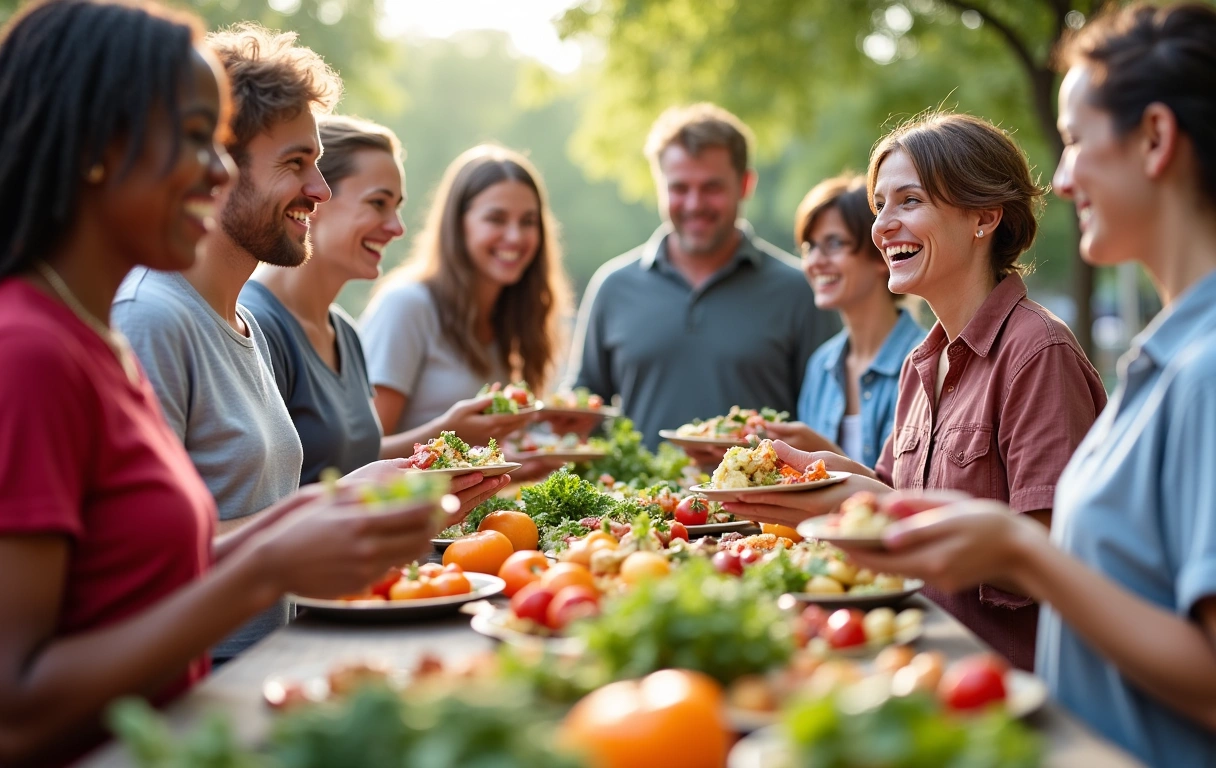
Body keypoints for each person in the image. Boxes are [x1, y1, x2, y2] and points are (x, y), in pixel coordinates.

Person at [0, 3, 471, 764]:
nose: (218, 171)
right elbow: (13, 714)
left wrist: (312, 512)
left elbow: (137, 584)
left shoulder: (98, 343)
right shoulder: (28, 353)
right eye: (195, 140)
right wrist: (270, 564)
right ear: (98, 147)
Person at [831, 6, 1216, 765]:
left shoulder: (1194, 369)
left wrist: (1021, 551)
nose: (1062, 179)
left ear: (1156, 139)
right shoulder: (1165, 359)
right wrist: (828, 477)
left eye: (1073, 141)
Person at [726, 113, 1108, 671]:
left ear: (984, 216)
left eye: (909, 201)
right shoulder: (920, 362)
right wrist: (820, 475)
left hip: (1007, 686)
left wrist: (876, 506)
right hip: (918, 663)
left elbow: (1052, 555)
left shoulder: (1036, 352)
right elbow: (889, 489)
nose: (882, 226)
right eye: (880, 205)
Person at [240, 116, 526, 485]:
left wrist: (450, 438)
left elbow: (356, 466)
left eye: (397, 207)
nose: (397, 227)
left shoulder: (344, 332)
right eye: (378, 203)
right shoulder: (255, 325)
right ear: (315, 196)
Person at [565, 103, 840, 453]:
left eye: (711, 187)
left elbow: (826, 420)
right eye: (679, 187)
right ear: (659, 186)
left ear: (744, 185)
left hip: (761, 504)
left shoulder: (799, 290)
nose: (695, 204)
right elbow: (584, 408)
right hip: (636, 505)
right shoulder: (613, 287)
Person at [360, 145, 570, 443]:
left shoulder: (514, 318)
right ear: (458, 225)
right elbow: (360, 456)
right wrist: (451, 436)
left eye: (528, 221)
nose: (515, 236)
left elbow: (490, 455)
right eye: (496, 219)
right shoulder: (408, 306)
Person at [764, 174, 925, 469]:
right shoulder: (821, 365)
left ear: (882, 254)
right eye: (809, 247)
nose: (814, 262)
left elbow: (912, 492)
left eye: (834, 243)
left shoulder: (925, 362)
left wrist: (823, 454)